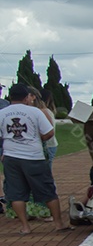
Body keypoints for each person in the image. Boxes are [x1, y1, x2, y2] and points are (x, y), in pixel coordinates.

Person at [0, 83, 70, 233]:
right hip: (33, 156)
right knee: (47, 190)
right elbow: (49, 132)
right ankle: (58, 223)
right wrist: (39, 139)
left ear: (10, 97)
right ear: (26, 97)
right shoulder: (35, 112)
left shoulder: (2, 113)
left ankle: (25, 227)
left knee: (16, 193)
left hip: (11, 156)